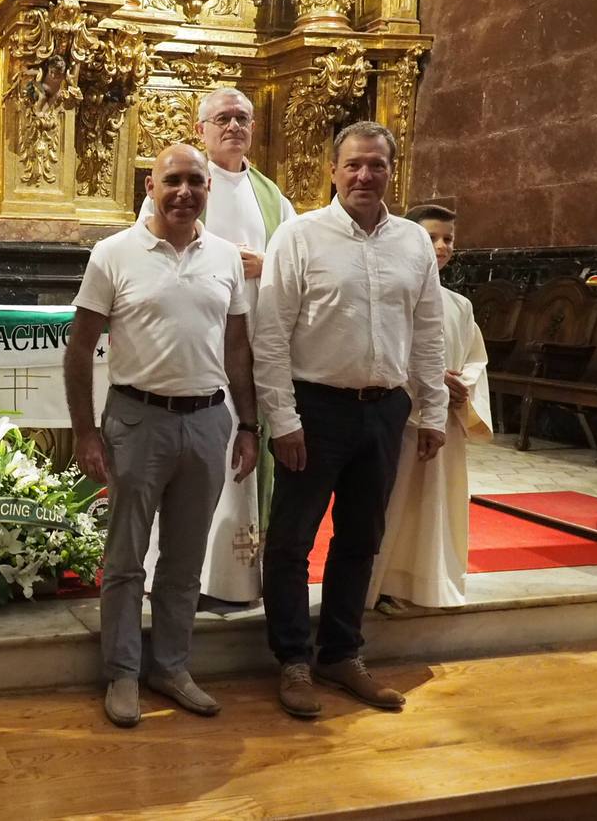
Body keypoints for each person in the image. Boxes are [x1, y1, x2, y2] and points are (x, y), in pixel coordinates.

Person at [253, 121, 447, 719]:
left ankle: (341, 653)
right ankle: (292, 659)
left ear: (393, 170)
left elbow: (428, 330)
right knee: (291, 541)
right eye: (354, 165)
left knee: (361, 538)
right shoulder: (300, 235)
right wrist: (283, 419)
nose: (365, 175)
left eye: (376, 165)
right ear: (333, 171)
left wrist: (432, 409)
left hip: (385, 409)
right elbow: (270, 334)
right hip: (315, 408)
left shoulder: (413, 242)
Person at [65, 144, 259, 728]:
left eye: (195, 181)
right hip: (136, 420)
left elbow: (237, 348)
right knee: (126, 558)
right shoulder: (113, 253)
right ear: (149, 186)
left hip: (207, 420)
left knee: (184, 558)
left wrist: (249, 424)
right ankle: (123, 672)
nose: (184, 192)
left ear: (208, 188)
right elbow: (80, 347)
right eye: (172, 180)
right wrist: (85, 431)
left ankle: (171, 667)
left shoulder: (224, 257)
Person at [138, 87, 296, 607]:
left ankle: (230, 581)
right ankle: (176, 577)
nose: (234, 127)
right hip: (192, 352)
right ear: (201, 128)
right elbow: (147, 251)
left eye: (242, 118)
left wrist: (266, 266)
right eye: (223, 118)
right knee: (190, 469)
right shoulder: (181, 183)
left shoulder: (274, 198)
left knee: (238, 462)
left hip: (249, 351)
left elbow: (300, 267)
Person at [368, 205, 491, 611]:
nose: (441, 246)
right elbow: (383, 351)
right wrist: (429, 381)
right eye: (431, 237)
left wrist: (462, 387)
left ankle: (429, 584)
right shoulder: (392, 294)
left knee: (437, 505)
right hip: (405, 417)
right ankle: (384, 583)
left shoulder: (460, 305)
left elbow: (475, 358)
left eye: (448, 238)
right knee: (397, 505)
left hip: (446, 421)